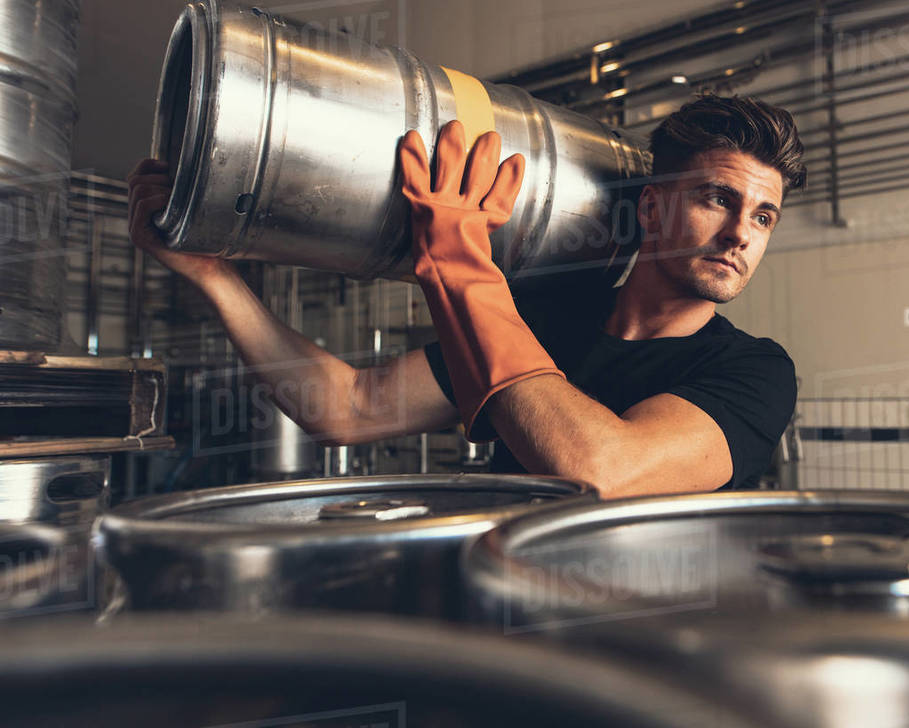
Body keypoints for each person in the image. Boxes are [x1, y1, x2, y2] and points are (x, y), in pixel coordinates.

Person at [127, 94, 804, 497]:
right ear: (652, 210)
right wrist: (215, 275)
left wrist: (459, 263)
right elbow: (347, 408)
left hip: (636, 672)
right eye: (719, 198)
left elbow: (599, 470)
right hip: (504, 643)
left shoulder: (753, 372)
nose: (741, 233)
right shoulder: (543, 324)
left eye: (763, 216)